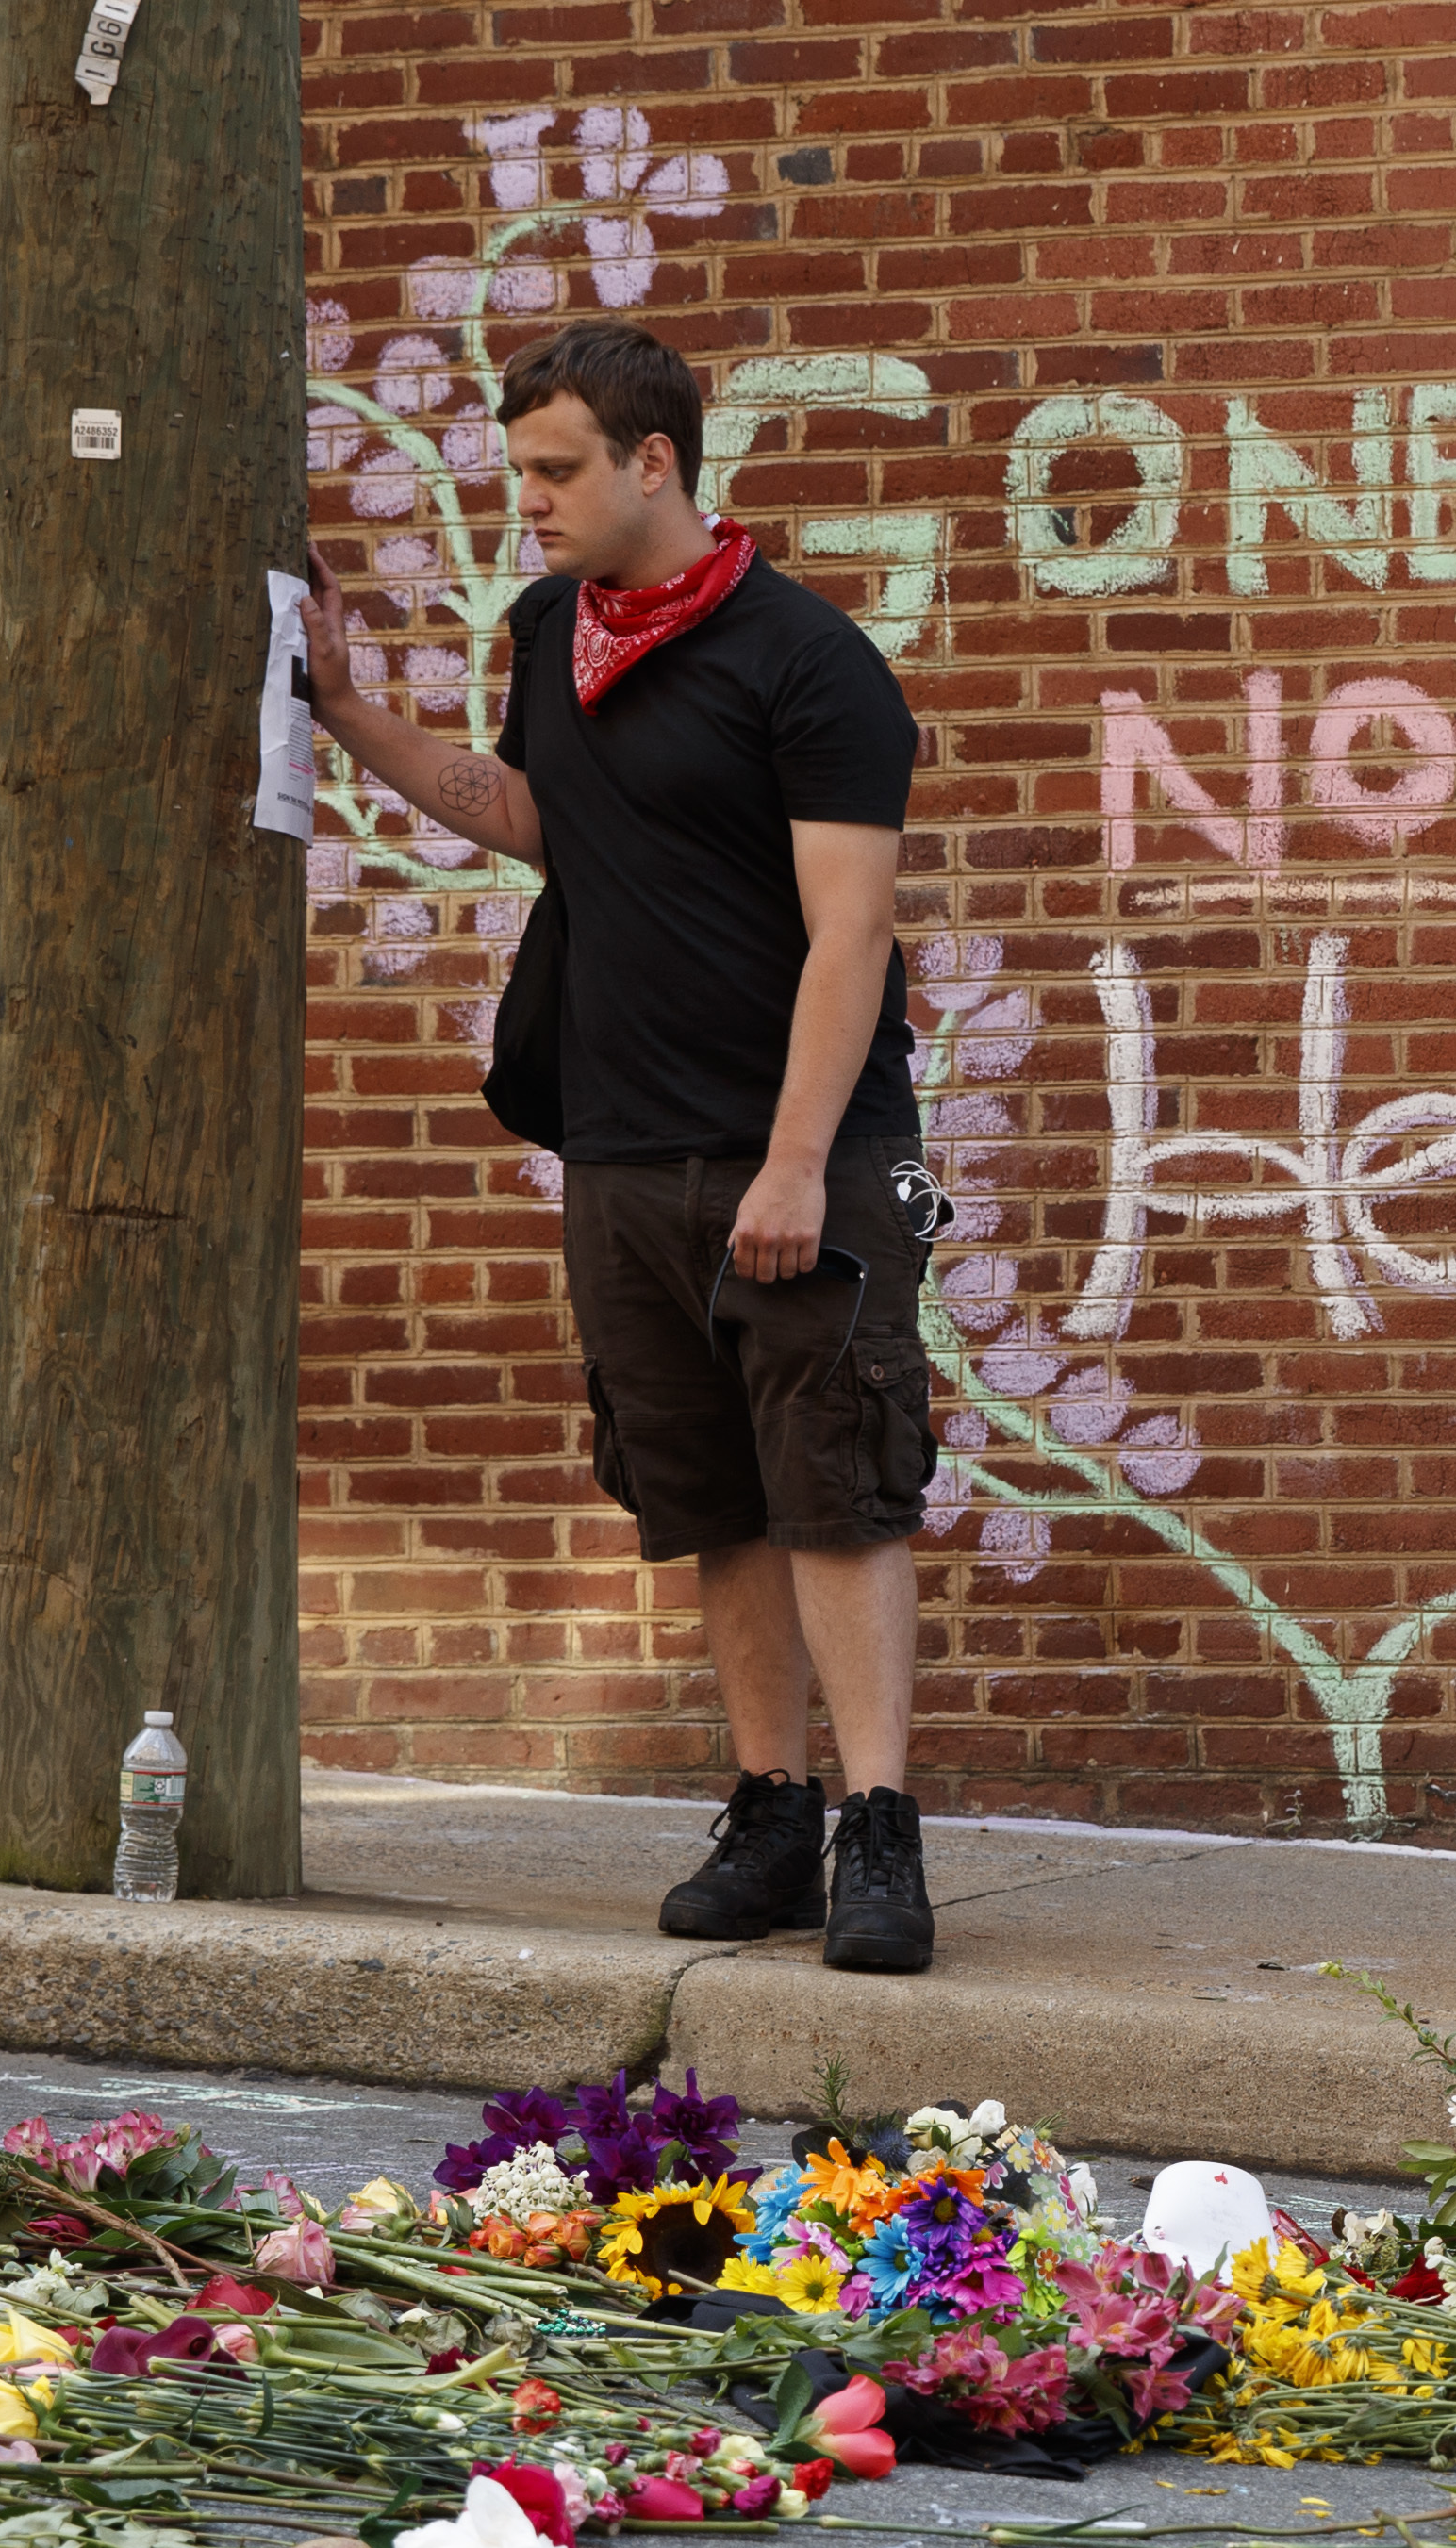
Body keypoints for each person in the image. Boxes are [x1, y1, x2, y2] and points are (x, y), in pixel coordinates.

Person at [301, 317, 941, 1973]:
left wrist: (799, 1165)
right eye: (519, 472)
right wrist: (354, 716)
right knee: (709, 1492)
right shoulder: (545, 634)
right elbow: (535, 817)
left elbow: (849, 935)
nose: (532, 501)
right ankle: (772, 1812)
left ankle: (881, 1835)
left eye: (558, 470)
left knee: (838, 1491)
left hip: (796, 1148)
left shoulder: (808, 664)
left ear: (656, 460)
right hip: (618, 1145)